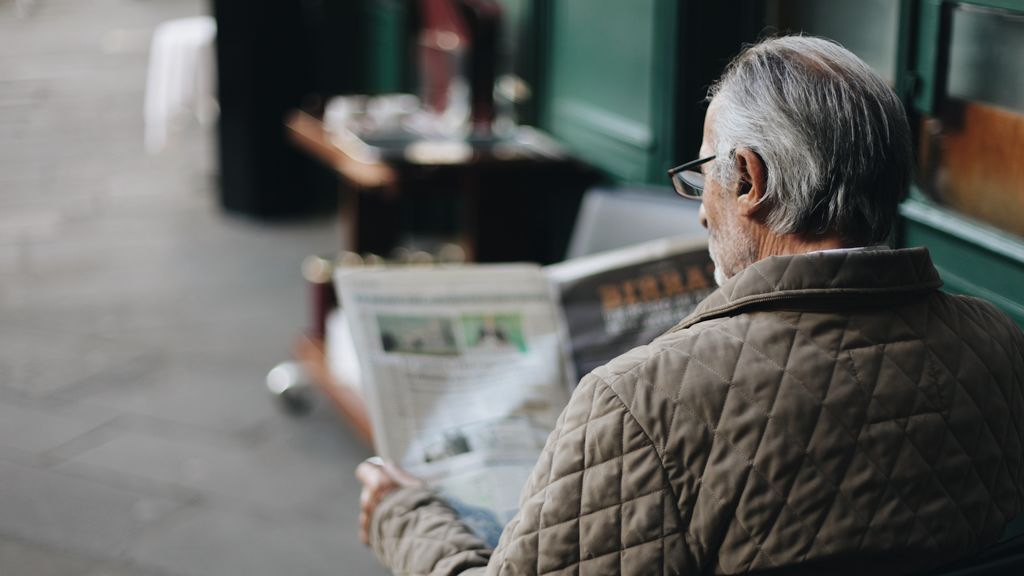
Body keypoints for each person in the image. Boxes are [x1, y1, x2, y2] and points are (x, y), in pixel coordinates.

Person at [356, 36, 1024, 575]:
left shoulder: (641, 402)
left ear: (750, 180)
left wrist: (406, 520)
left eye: (704, 174)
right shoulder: (1002, 345)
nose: (701, 209)